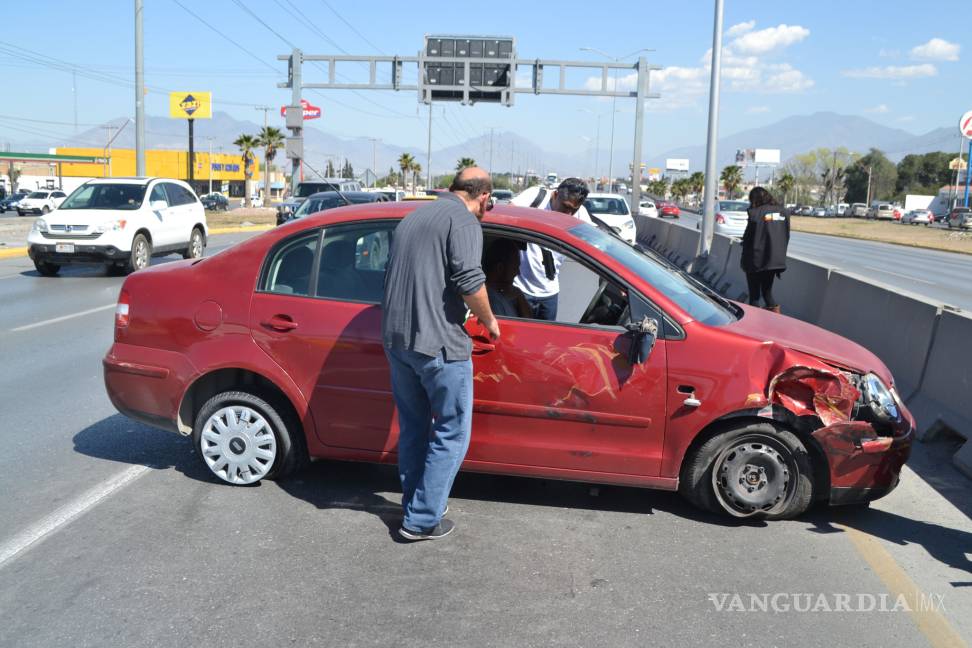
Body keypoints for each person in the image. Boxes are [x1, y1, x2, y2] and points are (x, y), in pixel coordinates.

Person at [381, 166, 500, 541]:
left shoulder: (414, 217)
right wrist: (491, 322)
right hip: (439, 345)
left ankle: (418, 503)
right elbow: (469, 281)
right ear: (482, 195)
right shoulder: (463, 222)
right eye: (490, 202)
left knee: (415, 427)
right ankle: (421, 520)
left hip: (398, 342)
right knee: (451, 430)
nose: (488, 208)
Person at [511, 177, 591, 320]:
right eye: (565, 207)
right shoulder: (535, 197)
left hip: (549, 294)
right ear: (555, 195)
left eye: (573, 210)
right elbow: (508, 214)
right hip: (519, 289)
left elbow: (597, 244)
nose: (568, 215)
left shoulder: (580, 214)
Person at [741, 186, 790, 313]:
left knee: (755, 296)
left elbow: (748, 237)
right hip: (774, 261)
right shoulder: (783, 212)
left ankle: (754, 327)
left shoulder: (755, 213)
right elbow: (786, 235)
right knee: (768, 294)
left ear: (754, 199)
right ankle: (776, 322)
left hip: (756, 260)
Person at [484, 238, 533, 318]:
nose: (518, 272)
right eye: (515, 267)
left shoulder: (506, 294)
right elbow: (529, 326)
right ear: (500, 268)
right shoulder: (494, 302)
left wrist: (519, 295)